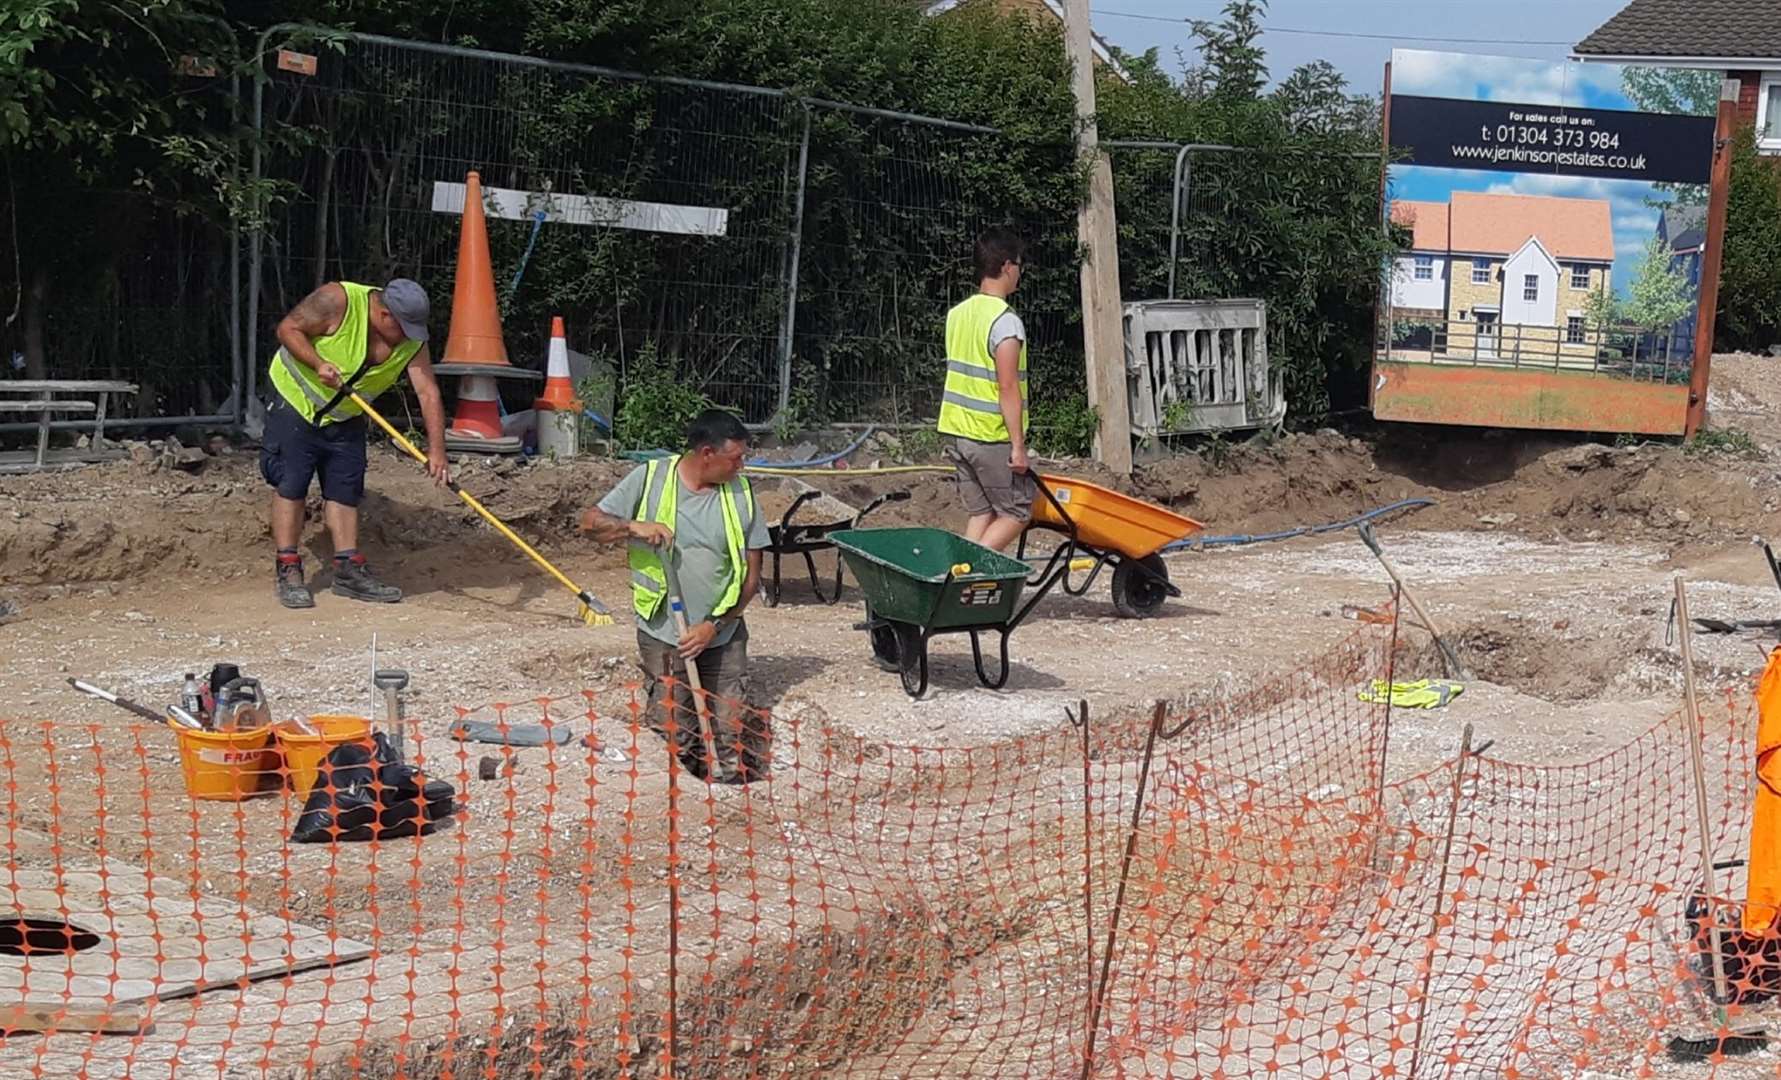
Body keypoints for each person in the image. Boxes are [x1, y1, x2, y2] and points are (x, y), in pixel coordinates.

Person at [580, 409, 772, 783]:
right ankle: (683, 791)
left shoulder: (742, 494)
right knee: (675, 728)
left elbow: (751, 578)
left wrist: (713, 627)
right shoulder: (650, 479)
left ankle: (729, 786)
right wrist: (632, 526)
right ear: (706, 454)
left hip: (723, 634)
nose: (741, 467)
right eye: (735, 459)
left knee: (730, 724)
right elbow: (589, 525)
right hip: (664, 633)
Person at [262, 278, 449, 609]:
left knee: (345, 486)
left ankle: (348, 569)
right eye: (403, 328)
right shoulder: (338, 300)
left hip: (346, 414)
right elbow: (288, 329)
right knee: (292, 482)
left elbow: (427, 392)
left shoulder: (412, 341)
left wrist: (437, 451)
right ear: (383, 313)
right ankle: (288, 566)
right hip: (296, 399)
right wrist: (318, 363)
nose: (408, 337)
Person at [937, 226, 1033, 552]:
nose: (1020, 272)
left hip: (956, 433)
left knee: (980, 513)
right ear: (1007, 266)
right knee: (1017, 512)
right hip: (988, 437)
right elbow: (1007, 386)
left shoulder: (957, 314)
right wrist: (1018, 446)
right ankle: (970, 576)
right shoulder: (1005, 321)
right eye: (1019, 264)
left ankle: (953, 586)